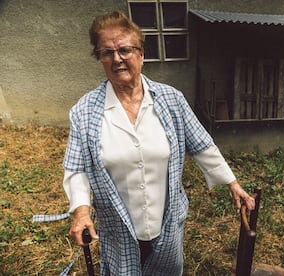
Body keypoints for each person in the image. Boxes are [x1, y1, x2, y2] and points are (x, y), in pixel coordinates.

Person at [62, 10, 255, 275]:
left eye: (125, 50)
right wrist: (81, 211)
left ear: (141, 54)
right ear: (100, 58)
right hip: (118, 229)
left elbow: (201, 144)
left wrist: (232, 183)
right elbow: (77, 169)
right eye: (107, 52)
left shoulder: (170, 99)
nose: (117, 58)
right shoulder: (84, 111)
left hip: (167, 223)